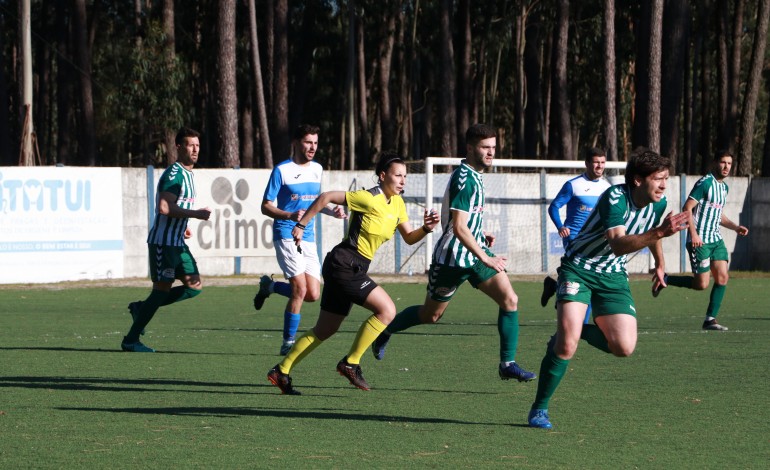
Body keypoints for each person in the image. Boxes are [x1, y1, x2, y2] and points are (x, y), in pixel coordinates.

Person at [527, 147, 689, 429]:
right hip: (579, 267)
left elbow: (652, 234)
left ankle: (570, 332)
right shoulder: (614, 197)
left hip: (613, 276)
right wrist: (661, 231)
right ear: (638, 180)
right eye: (658, 178)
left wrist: (660, 264)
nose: (664, 185)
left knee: (623, 347)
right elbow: (617, 244)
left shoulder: (659, 204)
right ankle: (539, 409)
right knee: (567, 346)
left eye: (666, 178)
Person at [370, 123, 535, 383]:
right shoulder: (464, 178)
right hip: (452, 259)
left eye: (493, 147)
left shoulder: (476, 175)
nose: (491, 152)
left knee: (510, 300)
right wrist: (485, 256)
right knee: (431, 315)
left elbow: (465, 222)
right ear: (470, 148)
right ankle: (386, 330)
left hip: (474, 254)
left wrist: (482, 236)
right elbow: (457, 228)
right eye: (485, 148)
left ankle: (507, 363)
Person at [266, 152, 441, 395]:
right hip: (345, 263)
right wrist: (302, 224)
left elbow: (410, 239)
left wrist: (426, 228)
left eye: (405, 176)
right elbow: (326, 196)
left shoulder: (398, 204)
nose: (403, 180)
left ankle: (281, 371)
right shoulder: (368, 198)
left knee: (325, 329)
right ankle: (351, 362)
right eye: (397, 175)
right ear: (382, 176)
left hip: (350, 266)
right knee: (387, 310)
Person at [252, 124, 346, 355]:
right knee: (300, 288)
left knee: (313, 294)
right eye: (308, 142)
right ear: (296, 143)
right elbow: (265, 206)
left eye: (315, 142)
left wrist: (331, 211)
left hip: (308, 235)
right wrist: (288, 215)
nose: (313, 147)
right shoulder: (281, 170)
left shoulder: (317, 169)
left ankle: (270, 286)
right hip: (286, 233)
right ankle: (288, 343)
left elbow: (314, 202)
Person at [122, 127, 212, 352]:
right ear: (178, 147)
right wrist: (195, 214)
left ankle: (140, 308)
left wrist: (184, 226)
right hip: (163, 243)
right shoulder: (174, 174)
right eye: (190, 145)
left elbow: (175, 208)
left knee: (195, 286)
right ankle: (131, 340)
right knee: (161, 290)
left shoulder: (189, 175)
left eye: (197, 145)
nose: (195, 149)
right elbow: (164, 207)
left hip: (178, 242)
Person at [652, 150, 749, 331]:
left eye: (729, 163)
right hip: (700, 241)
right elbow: (687, 207)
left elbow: (718, 215)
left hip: (716, 239)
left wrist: (736, 227)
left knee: (722, 277)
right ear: (715, 163)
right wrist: (694, 234)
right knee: (701, 284)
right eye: (723, 162)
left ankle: (710, 319)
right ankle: (665, 278)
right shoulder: (705, 183)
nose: (726, 167)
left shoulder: (724, 187)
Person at [541, 147, 611, 326]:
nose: (599, 166)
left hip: (596, 240)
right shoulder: (573, 185)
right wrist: (560, 226)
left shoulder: (607, 187)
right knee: (587, 276)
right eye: (596, 162)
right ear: (587, 163)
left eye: (602, 162)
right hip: (575, 238)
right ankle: (582, 322)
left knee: (586, 277)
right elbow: (554, 207)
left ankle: (556, 288)